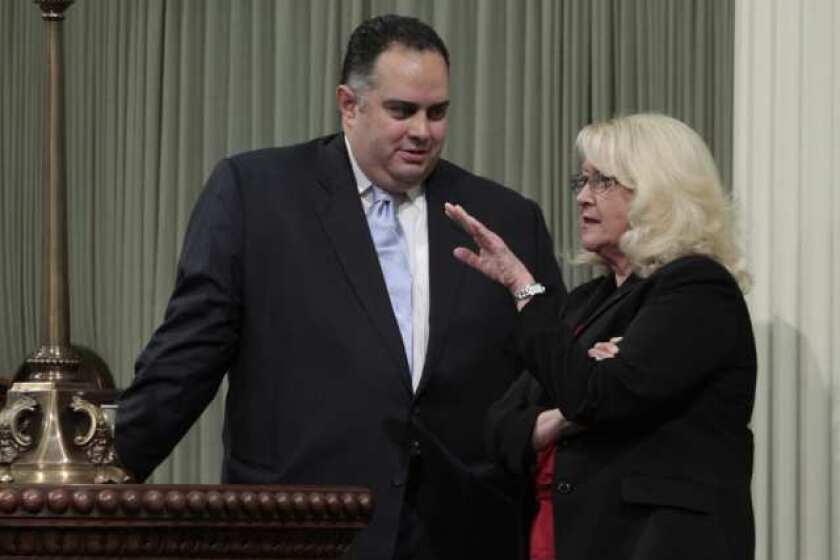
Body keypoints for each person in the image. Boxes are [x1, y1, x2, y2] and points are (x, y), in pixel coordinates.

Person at [114, 14, 563, 560]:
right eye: (402, 110)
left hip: (463, 533)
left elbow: (546, 375)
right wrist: (101, 473)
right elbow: (184, 364)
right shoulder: (257, 196)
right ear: (350, 105)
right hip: (302, 529)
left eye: (437, 112)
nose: (423, 131)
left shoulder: (505, 218)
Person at [445, 113, 756, 560]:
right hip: (556, 535)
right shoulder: (586, 302)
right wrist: (564, 415)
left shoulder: (697, 290)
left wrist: (524, 288)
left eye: (603, 182)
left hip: (651, 544)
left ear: (658, 190)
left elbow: (597, 395)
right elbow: (499, 428)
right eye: (582, 181)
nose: (583, 197)